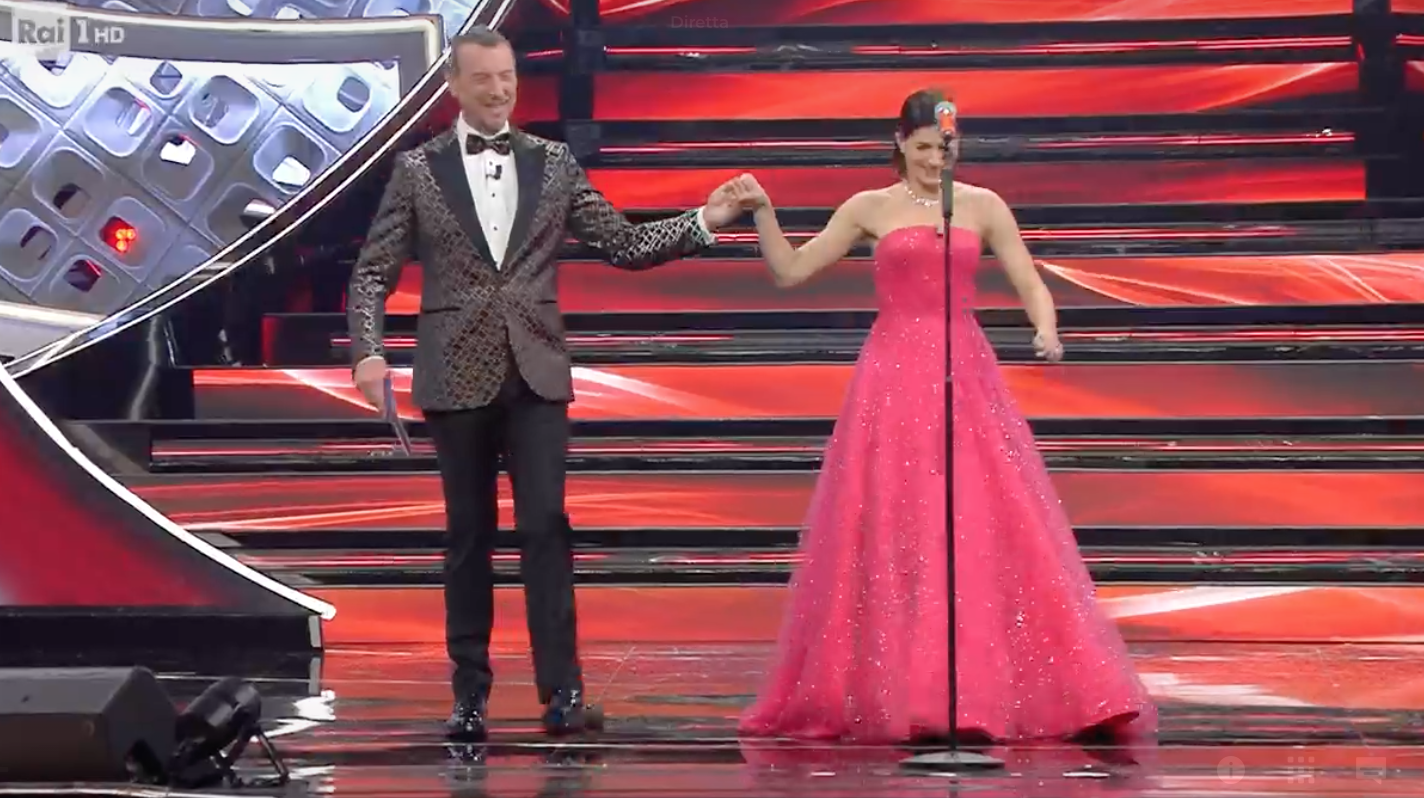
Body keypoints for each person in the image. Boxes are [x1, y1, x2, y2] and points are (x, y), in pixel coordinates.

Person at [346, 27, 743, 740]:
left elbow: (622, 242)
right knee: (468, 536)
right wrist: (368, 353)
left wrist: (702, 222)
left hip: (536, 373)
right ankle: (469, 696)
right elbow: (373, 271)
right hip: (453, 373)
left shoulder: (553, 162)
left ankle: (563, 693)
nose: (499, 90)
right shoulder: (418, 169)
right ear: (453, 88)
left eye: (507, 77)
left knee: (545, 529)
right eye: (483, 78)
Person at [727, 89, 1157, 744]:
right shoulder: (870, 206)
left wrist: (1046, 328)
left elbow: (1029, 280)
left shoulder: (982, 205)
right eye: (925, 147)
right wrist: (762, 212)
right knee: (901, 520)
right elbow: (790, 270)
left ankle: (992, 687)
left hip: (965, 373)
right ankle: (907, 688)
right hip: (893, 377)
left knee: (975, 519)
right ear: (899, 142)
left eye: (946, 147)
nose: (936, 160)